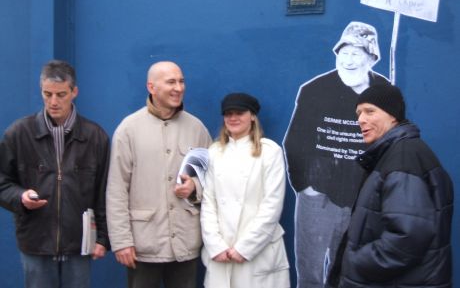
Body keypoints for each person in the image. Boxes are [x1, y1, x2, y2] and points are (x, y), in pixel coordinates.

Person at [283, 21, 390, 287]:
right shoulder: (314, 89)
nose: (349, 60)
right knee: (310, 272)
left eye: (356, 54)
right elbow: (294, 141)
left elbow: (392, 142)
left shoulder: (385, 92)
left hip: (362, 198)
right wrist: (305, 187)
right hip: (318, 198)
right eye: (344, 53)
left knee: (355, 272)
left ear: (371, 58)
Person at [327, 84, 453, 288]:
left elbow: (408, 236)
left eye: (370, 111)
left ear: (393, 115)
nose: (360, 120)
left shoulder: (403, 158)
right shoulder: (397, 154)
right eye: (358, 113)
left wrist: (355, 262)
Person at [0, 60, 110, 288]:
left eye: (61, 94)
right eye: (47, 94)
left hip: (79, 245)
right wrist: (20, 197)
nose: (53, 102)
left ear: (74, 92)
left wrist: (103, 238)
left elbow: (104, 191)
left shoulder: (95, 137)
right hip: (36, 243)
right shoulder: (18, 134)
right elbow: (2, 183)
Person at [106, 61, 212, 288]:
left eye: (181, 81)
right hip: (144, 243)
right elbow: (116, 189)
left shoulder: (197, 128)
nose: (179, 88)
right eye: (171, 82)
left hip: (185, 242)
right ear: (151, 87)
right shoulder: (128, 130)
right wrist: (122, 241)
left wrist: (195, 187)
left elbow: (212, 179)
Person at [201, 92, 290, 288]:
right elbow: (208, 203)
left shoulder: (270, 151)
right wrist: (215, 245)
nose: (233, 118)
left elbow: (272, 206)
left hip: (258, 252)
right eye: (228, 113)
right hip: (221, 252)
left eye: (239, 113)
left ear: (252, 116)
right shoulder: (214, 152)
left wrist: (245, 248)